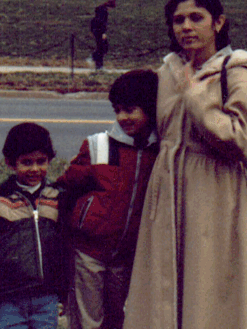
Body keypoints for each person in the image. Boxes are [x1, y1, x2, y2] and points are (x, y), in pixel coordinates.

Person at [123, 0, 247, 329]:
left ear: (217, 23)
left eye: (196, 18)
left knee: (210, 284)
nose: (186, 27)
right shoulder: (168, 72)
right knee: (163, 284)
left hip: (216, 191)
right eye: (178, 20)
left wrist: (195, 97)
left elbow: (243, 138)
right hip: (168, 186)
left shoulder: (239, 72)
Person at [57, 70, 159, 329]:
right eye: (117, 110)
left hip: (125, 255)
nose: (123, 117)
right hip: (88, 250)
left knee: (116, 317)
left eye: (130, 110)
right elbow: (67, 188)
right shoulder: (98, 146)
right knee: (87, 318)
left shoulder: (159, 152)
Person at [0, 122, 66, 329]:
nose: (35, 169)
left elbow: (66, 248)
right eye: (26, 162)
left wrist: (66, 289)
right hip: (8, 298)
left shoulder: (57, 197)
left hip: (46, 297)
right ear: (11, 163)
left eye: (41, 161)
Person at [90, 4, 110, 70]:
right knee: (102, 49)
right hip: (100, 34)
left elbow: (92, 27)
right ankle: (97, 62)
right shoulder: (101, 19)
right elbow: (102, 26)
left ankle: (96, 62)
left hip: (97, 34)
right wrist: (103, 33)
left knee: (101, 49)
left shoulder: (95, 19)